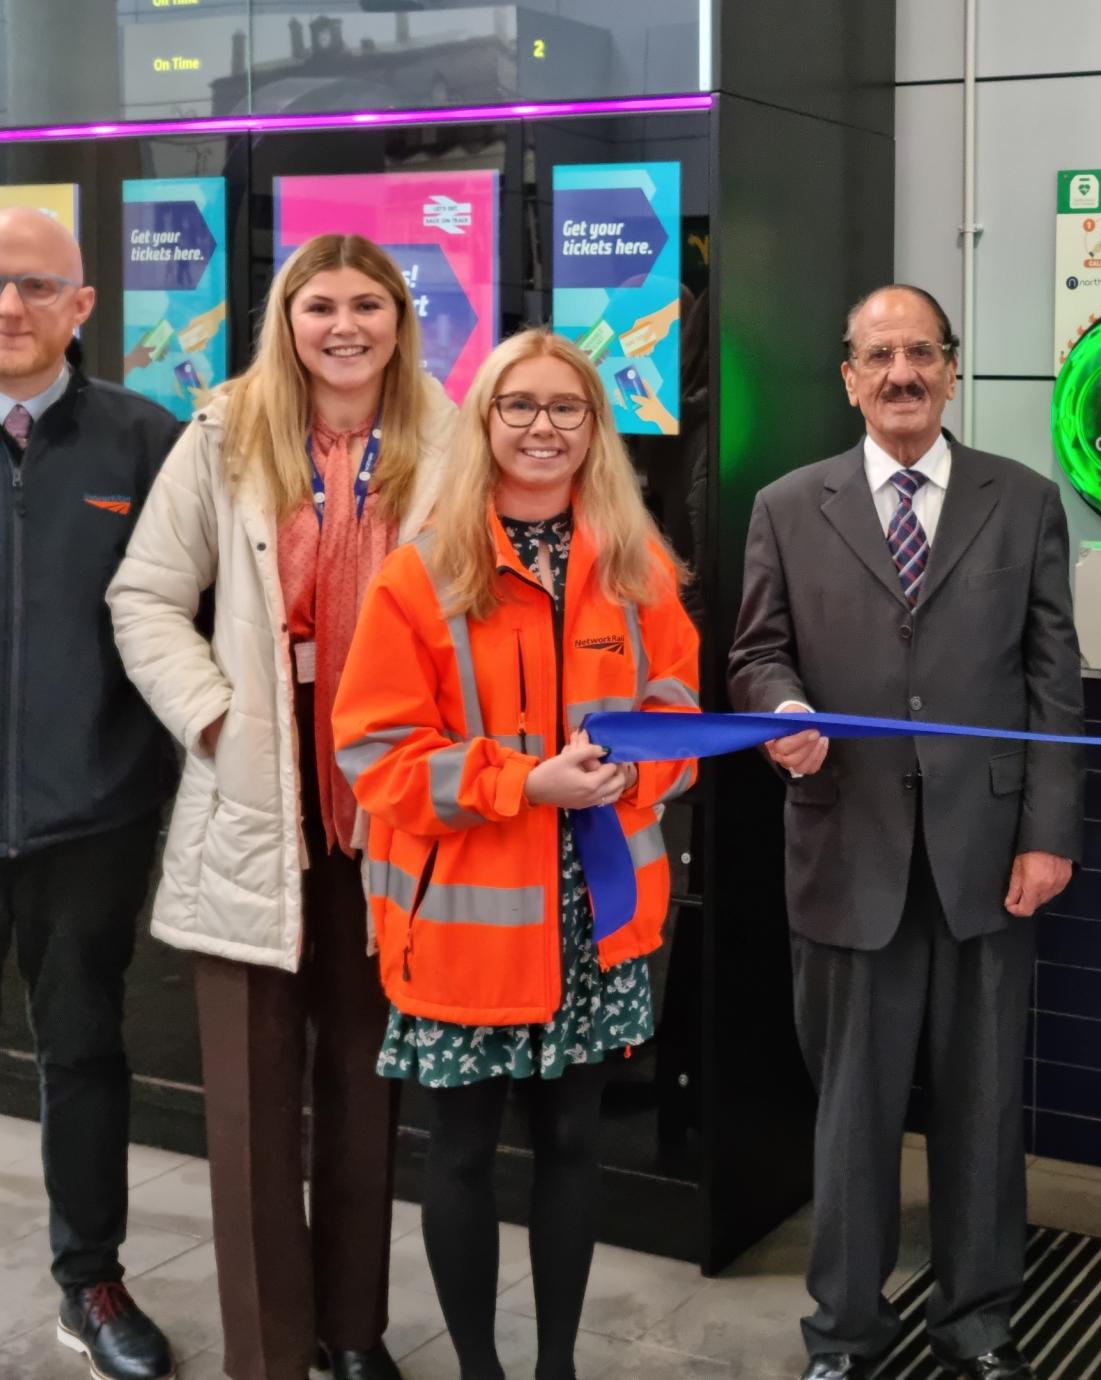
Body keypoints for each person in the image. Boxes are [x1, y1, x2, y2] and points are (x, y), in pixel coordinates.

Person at [108, 233, 456, 1380]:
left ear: (401, 319)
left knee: (367, 1101)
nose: (345, 325)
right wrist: (213, 718)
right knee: (252, 1122)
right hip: (258, 816)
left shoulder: (447, 443)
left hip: (393, 820)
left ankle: (353, 1338)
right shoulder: (224, 433)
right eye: (320, 306)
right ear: (286, 319)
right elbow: (146, 595)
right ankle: (267, 1356)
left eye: (368, 303)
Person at [728, 284, 1083, 1380]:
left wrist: (1049, 833)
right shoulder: (789, 504)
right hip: (848, 851)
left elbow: (1051, 681)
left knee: (984, 1112)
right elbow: (756, 653)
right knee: (850, 1117)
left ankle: (978, 1321)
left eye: (919, 352)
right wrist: (780, 711)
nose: (900, 374)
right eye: (877, 356)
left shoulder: (1020, 500)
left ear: (951, 366)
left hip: (987, 858)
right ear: (847, 376)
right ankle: (843, 1333)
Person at [332, 328, 699, 1380]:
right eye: (520, 407)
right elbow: (376, 755)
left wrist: (638, 772)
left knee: (576, 1147)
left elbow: (675, 710)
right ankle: (484, 1372)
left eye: (567, 408)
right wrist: (517, 783)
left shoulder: (637, 566)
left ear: (595, 428)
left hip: (598, 917)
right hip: (464, 924)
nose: (544, 428)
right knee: (458, 1155)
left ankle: (555, 1370)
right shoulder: (420, 574)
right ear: (484, 422)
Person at [0, 206, 181, 1380]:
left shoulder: (143, 442)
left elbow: (188, 617)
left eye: (32, 285)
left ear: (82, 305)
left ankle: (91, 1280)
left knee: (82, 1053)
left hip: (91, 815)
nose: (7, 307)